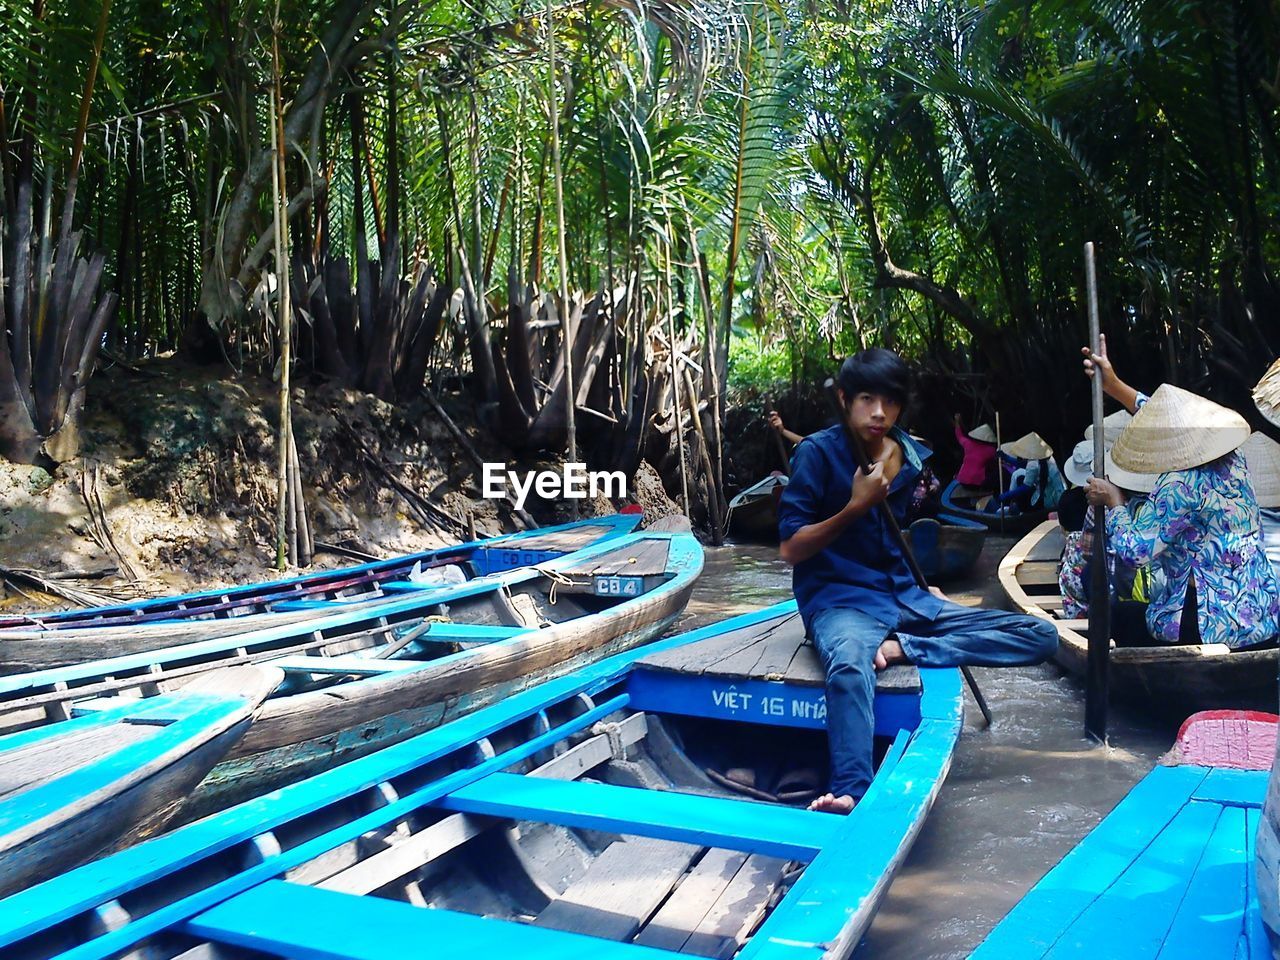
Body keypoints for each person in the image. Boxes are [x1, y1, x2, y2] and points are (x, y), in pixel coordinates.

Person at [777, 348, 1058, 814]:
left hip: (904, 597)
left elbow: (890, 540)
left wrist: (920, 588)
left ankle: (904, 648)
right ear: (845, 399)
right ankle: (852, 790)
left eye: (890, 401)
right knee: (849, 668)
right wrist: (854, 505)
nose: (879, 412)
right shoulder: (816, 454)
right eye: (867, 399)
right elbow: (791, 549)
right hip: (841, 601)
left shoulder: (902, 457)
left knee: (1041, 634)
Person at [1081, 337, 1279, 648]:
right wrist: (1115, 386)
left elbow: (1135, 553)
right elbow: (1161, 416)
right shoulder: (1234, 457)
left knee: (1115, 616)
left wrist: (1115, 502)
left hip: (1210, 626)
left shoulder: (1178, 485)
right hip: (1259, 615)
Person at [953, 415, 997, 491]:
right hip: (976, 483)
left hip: (962, 480)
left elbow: (959, 436)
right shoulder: (991, 450)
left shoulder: (968, 443)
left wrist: (957, 421)